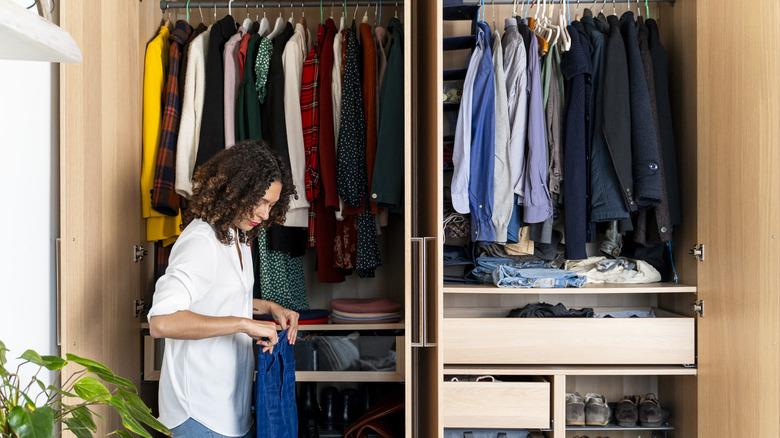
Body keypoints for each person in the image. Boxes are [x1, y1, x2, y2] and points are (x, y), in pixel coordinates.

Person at [148, 140, 301, 438]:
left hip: (230, 409)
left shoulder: (236, 234)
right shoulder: (200, 242)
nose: (265, 213)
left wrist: (269, 308)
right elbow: (161, 321)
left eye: (271, 204)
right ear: (234, 189)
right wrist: (244, 324)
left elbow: (220, 294)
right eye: (261, 201)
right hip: (197, 412)